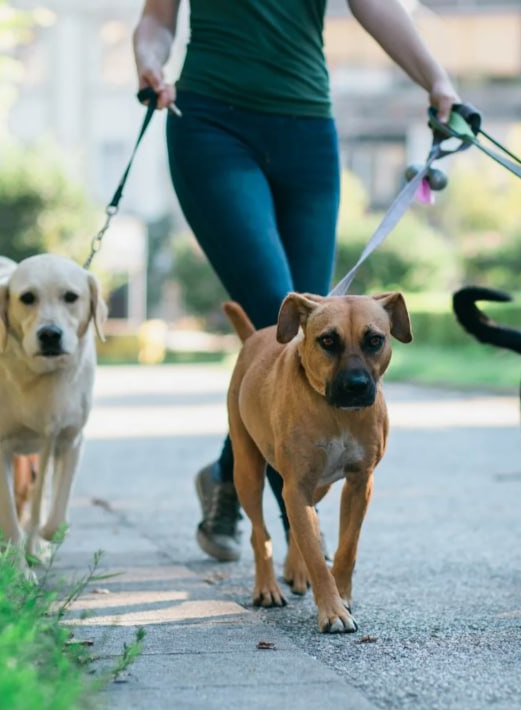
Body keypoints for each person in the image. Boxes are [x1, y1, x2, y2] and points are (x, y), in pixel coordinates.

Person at [133, 0, 460, 562]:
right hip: (210, 126)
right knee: (280, 320)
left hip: (307, 130)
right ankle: (298, 533)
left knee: (319, 332)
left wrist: (436, 79)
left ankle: (227, 477)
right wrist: (149, 62)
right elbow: (157, 21)